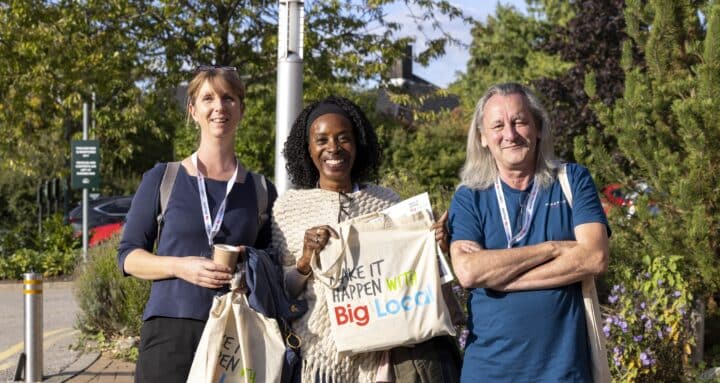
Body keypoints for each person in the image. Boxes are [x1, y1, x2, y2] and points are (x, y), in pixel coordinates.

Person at [271, 95, 460, 383]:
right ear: (308, 150)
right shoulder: (288, 208)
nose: (333, 148)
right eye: (321, 140)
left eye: (343, 138)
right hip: (315, 357)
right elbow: (280, 291)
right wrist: (306, 258)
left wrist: (436, 245)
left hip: (382, 360)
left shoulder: (388, 202)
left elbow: (414, 275)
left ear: (358, 144)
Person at [117, 65, 277, 382]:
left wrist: (250, 264)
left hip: (234, 331)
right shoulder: (163, 178)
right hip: (169, 330)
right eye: (208, 98)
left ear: (241, 109)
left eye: (229, 98)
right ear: (193, 110)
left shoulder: (260, 190)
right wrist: (180, 267)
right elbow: (128, 256)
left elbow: (273, 262)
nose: (219, 107)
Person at [448, 82, 610, 382]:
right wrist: (551, 249)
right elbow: (469, 272)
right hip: (488, 372)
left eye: (519, 121)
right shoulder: (469, 197)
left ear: (537, 128)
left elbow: (595, 257)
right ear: (483, 138)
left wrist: (499, 278)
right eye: (497, 125)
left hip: (563, 372)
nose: (509, 134)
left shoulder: (572, 180)